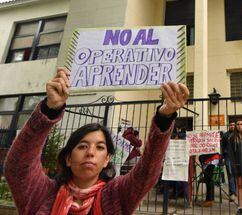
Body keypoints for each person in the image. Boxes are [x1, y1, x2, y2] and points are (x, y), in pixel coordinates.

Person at [4, 67, 189, 214]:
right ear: (68, 158)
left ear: (107, 159)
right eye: (82, 146)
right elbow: (18, 166)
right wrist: (50, 109)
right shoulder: (42, 194)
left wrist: (164, 117)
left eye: (100, 147)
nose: (90, 152)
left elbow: (147, 172)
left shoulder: (117, 195)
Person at [222, 121, 237, 201]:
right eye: (231, 125)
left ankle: (235, 191)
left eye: (233, 125)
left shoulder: (239, 134)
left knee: (236, 175)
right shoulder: (225, 135)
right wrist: (223, 157)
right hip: (228, 157)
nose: (232, 126)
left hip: (237, 157)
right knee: (230, 175)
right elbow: (222, 147)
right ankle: (232, 193)